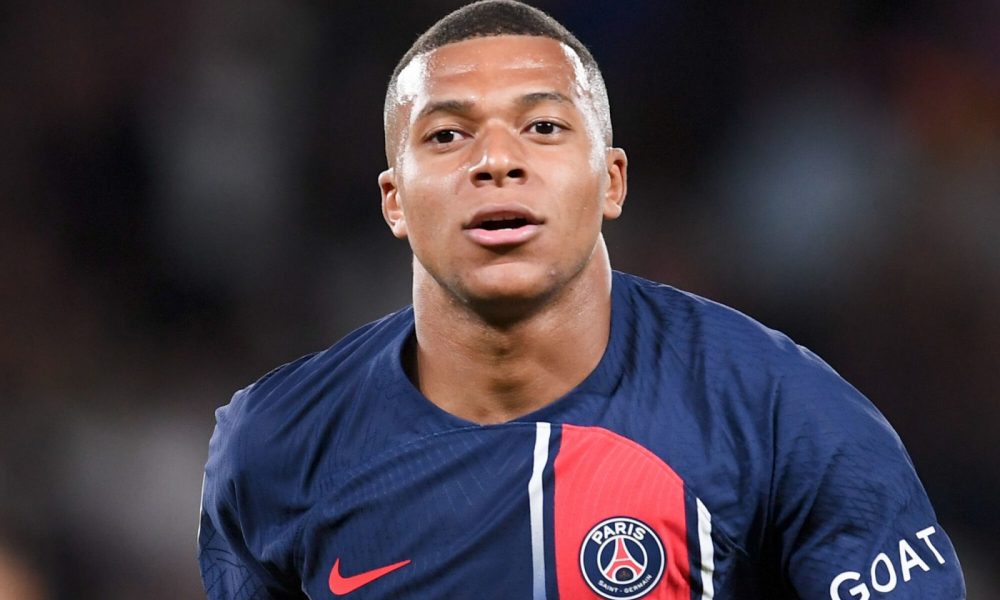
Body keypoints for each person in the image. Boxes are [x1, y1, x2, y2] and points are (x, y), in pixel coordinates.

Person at [198, 1, 966, 598]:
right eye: (447, 136)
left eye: (542, 126)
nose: (497, 161)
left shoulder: (784, 415)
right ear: (394, 201)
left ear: (612, 182)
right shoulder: (274, 445)